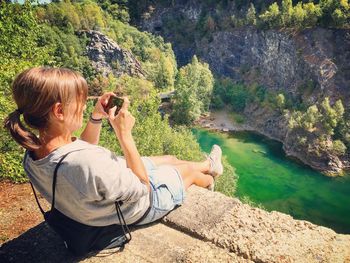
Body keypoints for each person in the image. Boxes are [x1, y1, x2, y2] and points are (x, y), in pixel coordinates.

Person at [4, 67, 223, 228]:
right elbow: (142, 188)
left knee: (171, 158)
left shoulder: (34, 151)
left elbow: (81, 151)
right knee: (188, 172)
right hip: (141, 206)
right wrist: (125, 135)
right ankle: (210, 179)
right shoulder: (87, 164)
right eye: (80, 100)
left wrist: (96, 116)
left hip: (103, 190)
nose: (83, 104)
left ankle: (209, 164)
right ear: (59, 111)